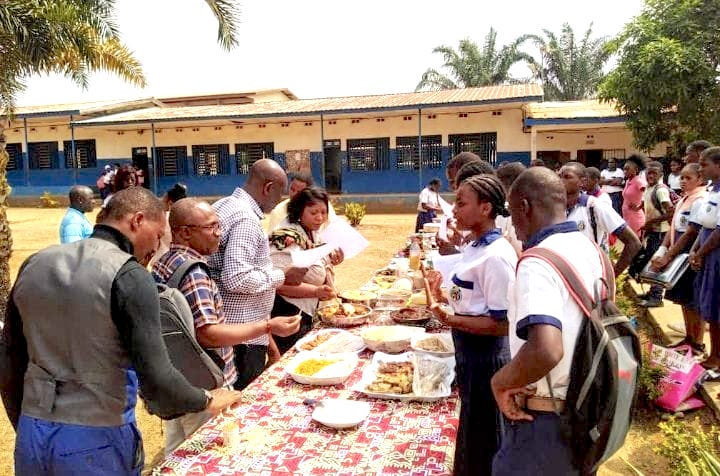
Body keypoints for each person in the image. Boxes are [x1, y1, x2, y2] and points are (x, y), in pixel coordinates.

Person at [1, 188, 242, 475]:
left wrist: (26, 425)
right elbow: (158, 382)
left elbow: (10, 361)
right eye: (157, 235)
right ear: (137, 220)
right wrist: (208, 398)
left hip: (34, 430)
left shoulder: (35, 263)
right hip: (96, 438)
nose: (156, 247)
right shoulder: (129, 275)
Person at [152, 198, 301, 453]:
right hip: (204, 384)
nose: (219, 234)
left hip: (177, 377)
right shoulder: (195, 273)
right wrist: (267, 326)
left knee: (177, 451)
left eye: (219, 226)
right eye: (211, 227)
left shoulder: (164, 262)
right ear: (185, 232)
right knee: (207, 453)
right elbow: (208, 334)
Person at [491, 167, 604, 475]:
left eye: (512, 212)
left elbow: (546, 350)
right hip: (589, 411)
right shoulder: (592, 249)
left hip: (546, 421)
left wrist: (501, 382)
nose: (513, 223)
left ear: (524, 207)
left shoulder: (537, 262)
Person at [427, 174, 517, 476]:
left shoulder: (496, 256)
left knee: (484, 436)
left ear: (486, 208)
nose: (453, 209)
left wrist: (451, 319)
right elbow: (470, 297)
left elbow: (501, 323)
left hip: (486, 356)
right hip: (468, 349)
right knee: (472, 428)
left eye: (462, 203)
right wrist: (442, 294)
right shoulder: (475, 247)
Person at [208, 159, 308, 390]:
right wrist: (281, 276)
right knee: (239, 399)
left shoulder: (224, 205)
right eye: (280, 193)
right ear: (267, 188)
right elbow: (236, 277)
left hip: (228, 329)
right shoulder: (246, 219)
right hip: (242, 336)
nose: (280, 200)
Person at [269, 187, 338, 353]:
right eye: (313, 212)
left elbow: (319, 261)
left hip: (306, 312)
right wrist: (316, 291)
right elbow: (278, 284)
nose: (320, 218)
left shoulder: (311, 232)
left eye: (323, 212)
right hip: (288, 313)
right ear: (300, 211)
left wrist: (331, 265)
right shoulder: (286, 237)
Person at [651, 163, 707, 355]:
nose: (682, 181)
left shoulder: (700, 198)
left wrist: (668, 255)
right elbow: (674, 226)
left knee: (693, 302)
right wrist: (662, 250)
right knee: (683, 300)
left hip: (688, 256)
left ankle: (697, 343)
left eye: (688, 178)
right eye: (681, 178)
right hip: (678, 254)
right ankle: (689, 338)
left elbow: (690, 233)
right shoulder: (686, 198)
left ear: (700, 179)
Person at [560, 162, 641, 276]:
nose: (560, 181)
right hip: (565, 276)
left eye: (567, 177)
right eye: (559, 176)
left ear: (582, 182)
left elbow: (633, 242)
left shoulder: (594, 206)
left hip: (591, 277)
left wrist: (612, 275)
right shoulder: (555, 209)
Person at [688, 147, 720, 369]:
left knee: (717, 308)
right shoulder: (712, 190)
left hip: (716, 254)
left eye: (704, 164)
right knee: (709, 306)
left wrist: (700, 252)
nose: (701, 168)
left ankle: (717, 357)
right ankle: (714, 354)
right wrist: (695, 250)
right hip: (708, 252)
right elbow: (705, 225)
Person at [638, 161, 675, 307]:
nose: (650, 176)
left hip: (661, 232)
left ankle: (657, 296)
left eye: (654, 173)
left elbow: (671, 212)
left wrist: (652, 221)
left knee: (656, 263)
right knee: (651, 260)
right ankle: (652, 291)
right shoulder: (648, 188)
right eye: (648, 173)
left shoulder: (660, 190)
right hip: (653, 231)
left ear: (661, 174)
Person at [266, 172, 338, 233]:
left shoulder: (324, 206)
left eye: (299, 192)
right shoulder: (278, 211)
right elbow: (272, 238)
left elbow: (334, 228)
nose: (294, 194)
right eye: (292, 189)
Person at [154, 183, 189, 265]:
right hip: (183, 262)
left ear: (169, 203)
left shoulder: (162, 220)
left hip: (162, 262)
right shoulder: (190, 220)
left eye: (163, 199)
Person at [622, 154, 648, 237]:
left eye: (627, 169)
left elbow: (648, 193)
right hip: (627, 216)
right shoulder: (628, 181)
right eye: (624, 169)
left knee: (635, 242)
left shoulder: (638, 181)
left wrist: (640, 206)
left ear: (636, 170)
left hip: (635, 218)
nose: (625, 171)